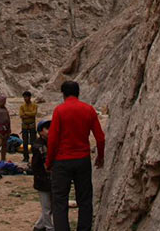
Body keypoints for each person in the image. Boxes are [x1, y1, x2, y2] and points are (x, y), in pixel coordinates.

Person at [46, 81, 105, 231]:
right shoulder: (89, 110)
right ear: (78, 92)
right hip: (82, 160)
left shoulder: (59, 111)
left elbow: (52, 140)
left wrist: (49, 162)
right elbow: (100, 138)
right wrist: (100, 157)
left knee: (60, 201)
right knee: (85, 199)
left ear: (63, 94)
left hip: (62, 161)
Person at [32, 120, 54, 231]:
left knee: (50, 207)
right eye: (47, 129)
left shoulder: (51, 143)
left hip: (50, 179)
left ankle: (39, 226)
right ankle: (49, 228)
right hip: (42, 180)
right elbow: (35, 166)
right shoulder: (38, 146)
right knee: (47, 207)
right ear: (40, 132)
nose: (50, 131)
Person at [19, 91, 38, 163]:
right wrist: (29, 114)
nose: (25, 98)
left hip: (32, 125)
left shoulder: (34, 105)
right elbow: (21, 115)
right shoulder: (22, 106)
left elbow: (34, 114)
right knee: (25, 142)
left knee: (33, 142)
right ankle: (25, 157)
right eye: (24, 97)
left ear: (30, 97)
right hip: (24, 126)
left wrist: (26, 113)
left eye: (26, 97)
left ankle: (34, 156)